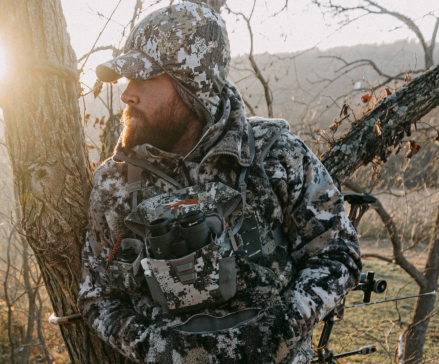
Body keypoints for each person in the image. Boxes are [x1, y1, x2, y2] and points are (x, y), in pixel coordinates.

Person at [78, 3, 362, 363]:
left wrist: (280, 329)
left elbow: (338, 253)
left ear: (193, 85)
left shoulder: (277, 156)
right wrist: (158, 352)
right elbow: (98, 295)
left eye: (143, 78)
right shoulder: (114, 183)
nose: (127, 93)